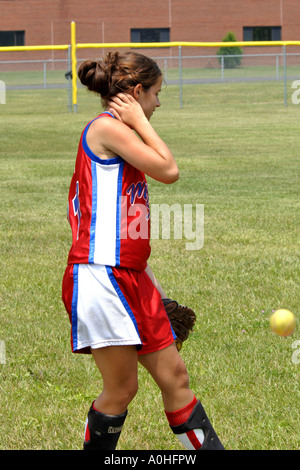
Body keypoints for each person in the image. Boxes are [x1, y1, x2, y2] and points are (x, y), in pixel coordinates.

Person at [62, 51, 224, 451]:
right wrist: (137, 120)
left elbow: (128, 224)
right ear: (136, 93)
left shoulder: (124, 138)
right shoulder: (106, 130)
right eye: (154, 94)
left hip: (130, 275)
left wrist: (148, 281)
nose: (158, 103)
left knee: (176, 378)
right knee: (121, 390)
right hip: (101, 275)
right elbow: (169, 170)